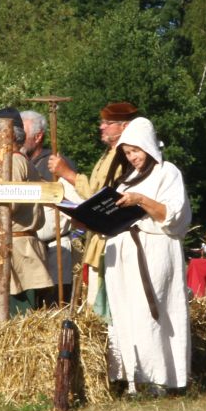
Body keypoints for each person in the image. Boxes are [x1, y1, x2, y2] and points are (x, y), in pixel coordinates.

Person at [102, 117, 192, 395]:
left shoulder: (168, 172)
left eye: (136, 151)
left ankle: (158, 380)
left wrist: (140, 199)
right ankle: (133, 380)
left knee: (149, 314)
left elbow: (173, 216)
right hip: (123, 254)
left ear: (148, 146)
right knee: (126, 313)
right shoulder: (127, 179)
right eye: (127, 153)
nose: (132, 157)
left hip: (154, 252)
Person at [47, 100, 140, 317]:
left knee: (105, 307)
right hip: (99, 239)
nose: (101, 126)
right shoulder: (109, 154)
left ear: (124, 126)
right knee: (93, 304)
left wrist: (67, 173)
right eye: (102, 122)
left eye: (108, 123)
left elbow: (102, 197)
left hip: (112, 239)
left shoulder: (122, 157)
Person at [0, 107, 53, 318]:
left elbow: (8, 205)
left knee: (14, 322)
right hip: (10, 250)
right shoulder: (10, 162)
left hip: (17, 257)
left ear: (8, 135)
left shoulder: (14, 162)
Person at [20, 109, 77, 303]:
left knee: (54, 307)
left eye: (22, 134)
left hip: (55, 250)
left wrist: (46, 187)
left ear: (38, 137)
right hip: (27, 252)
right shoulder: (19, 163)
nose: (17, 138)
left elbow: (72, 204)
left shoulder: (57, 164)